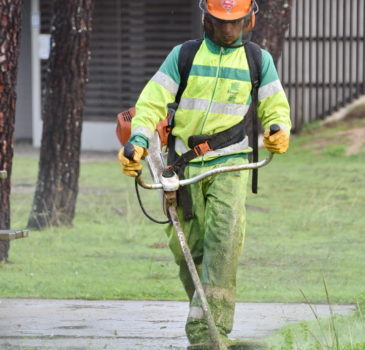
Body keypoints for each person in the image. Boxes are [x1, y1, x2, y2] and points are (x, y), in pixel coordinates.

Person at [118, 0, 291, 348]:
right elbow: (151, 101)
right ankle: (208, 327)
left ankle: (209, 337)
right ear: (206, 20)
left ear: (249, 20)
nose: (228, 29)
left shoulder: (258, 60)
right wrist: (138, 139)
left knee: (223, 242)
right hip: (182, 166)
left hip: (231, 161)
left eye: (235, 22)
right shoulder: (184, 55)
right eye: (220, 22)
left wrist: (278, 128)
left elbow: (275, 106)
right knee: (188, 250)